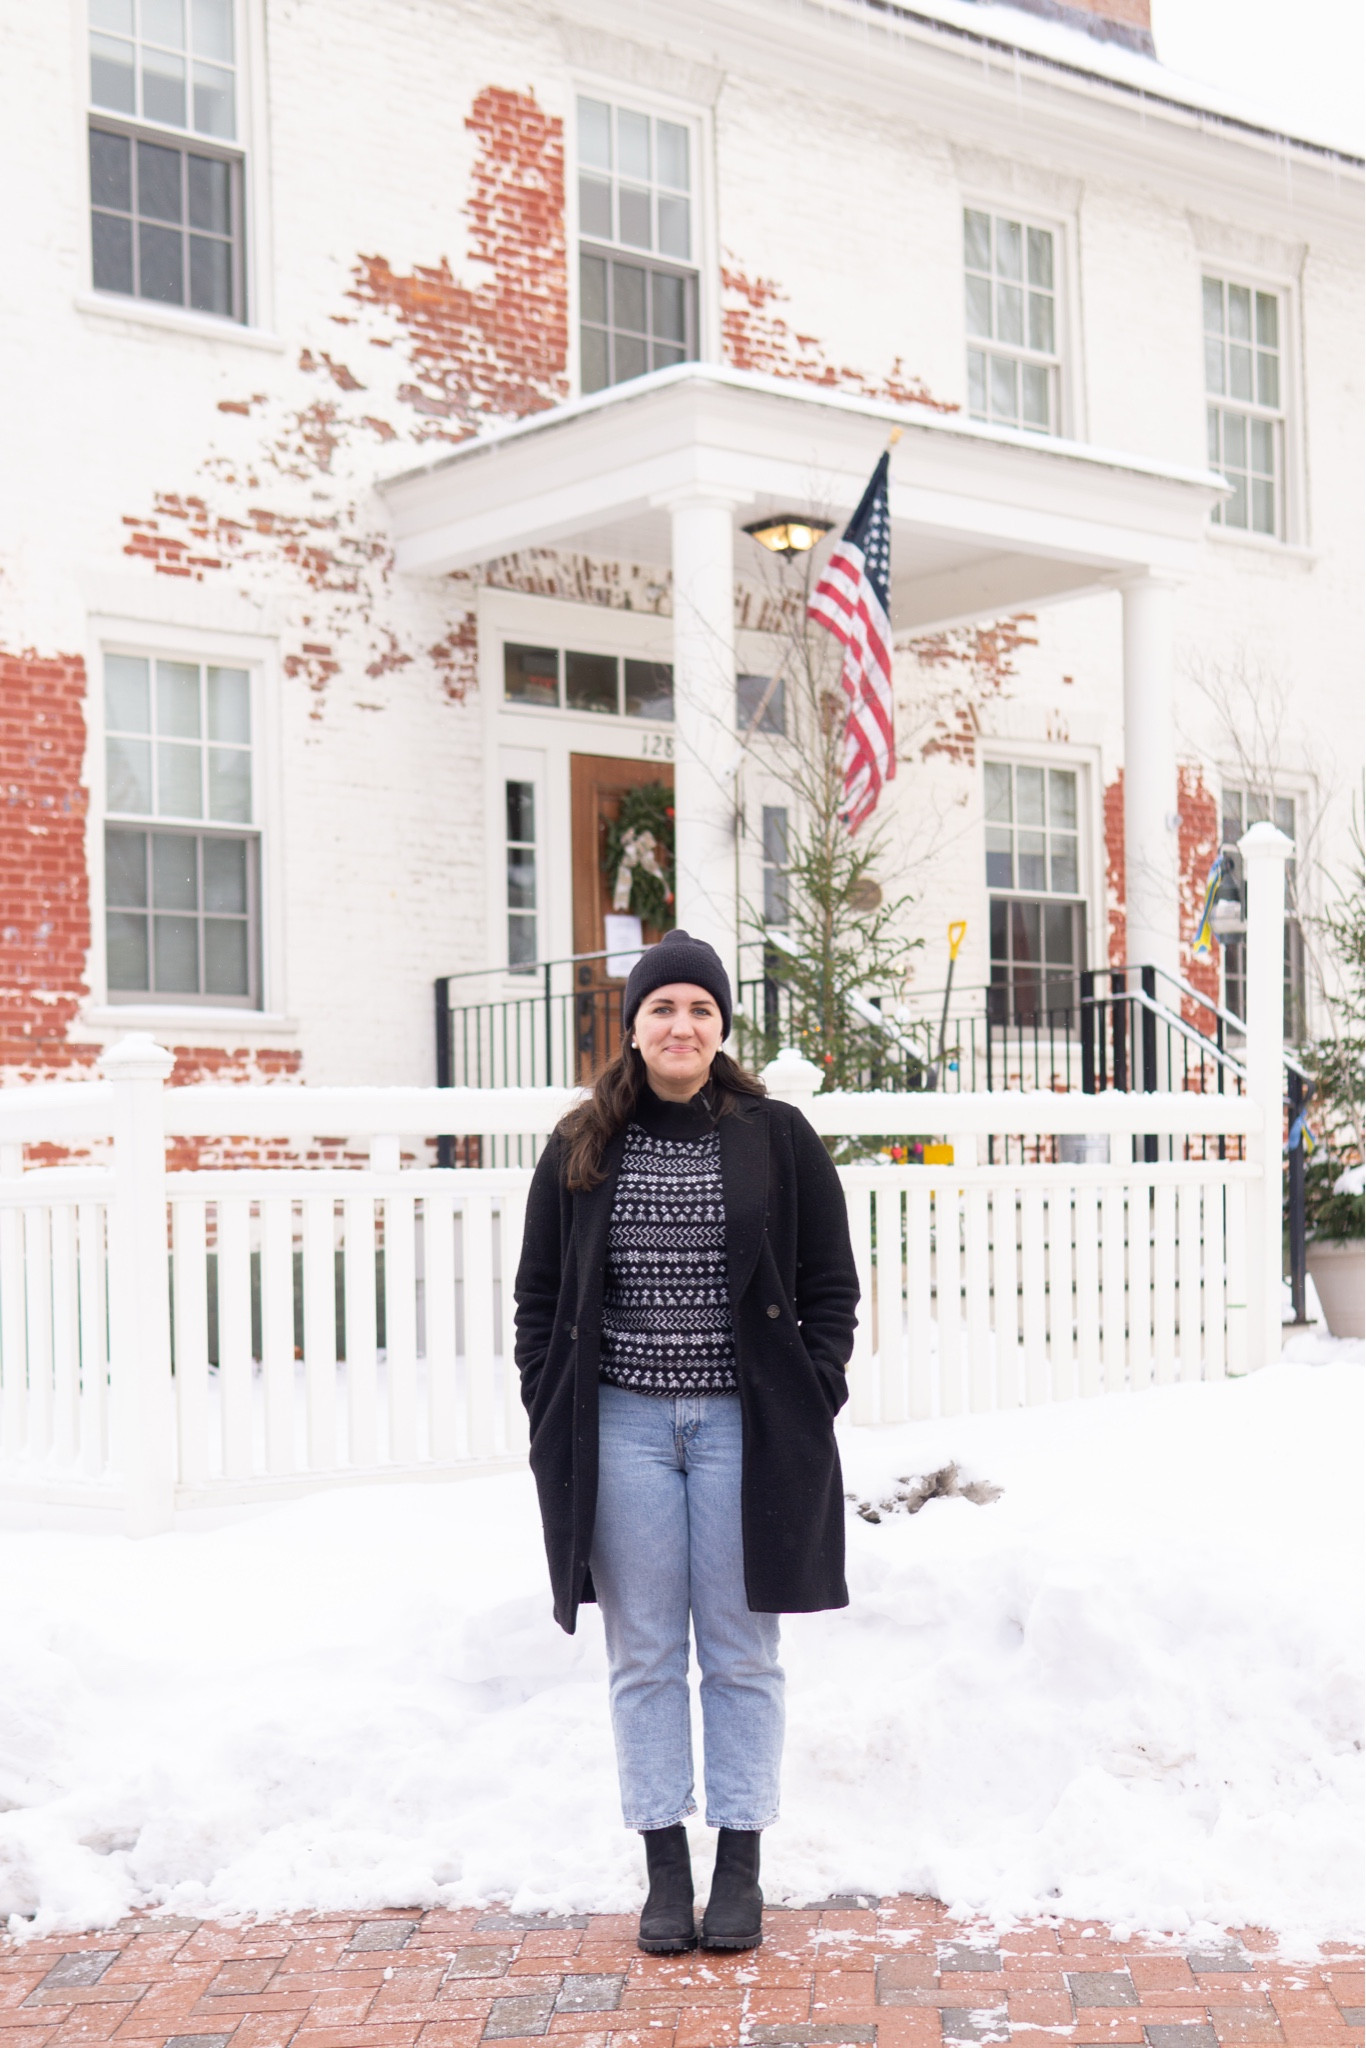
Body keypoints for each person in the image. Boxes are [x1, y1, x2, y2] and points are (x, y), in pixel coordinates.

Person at [513, 928, 859, 1955]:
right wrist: (548, 1401)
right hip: (621, 1426)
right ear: (634, 1026)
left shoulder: (775, 1135)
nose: (682, 1025)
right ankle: (665, 1868)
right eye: (663, 1007)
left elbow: (830, 1283)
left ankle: (740, 1863)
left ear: (720, 1028)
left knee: (743, 1649)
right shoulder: (581, 1142)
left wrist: (813, 1390)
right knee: (647, 1652)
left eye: (700, 1009)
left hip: (744, 1427)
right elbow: (538, 1298)